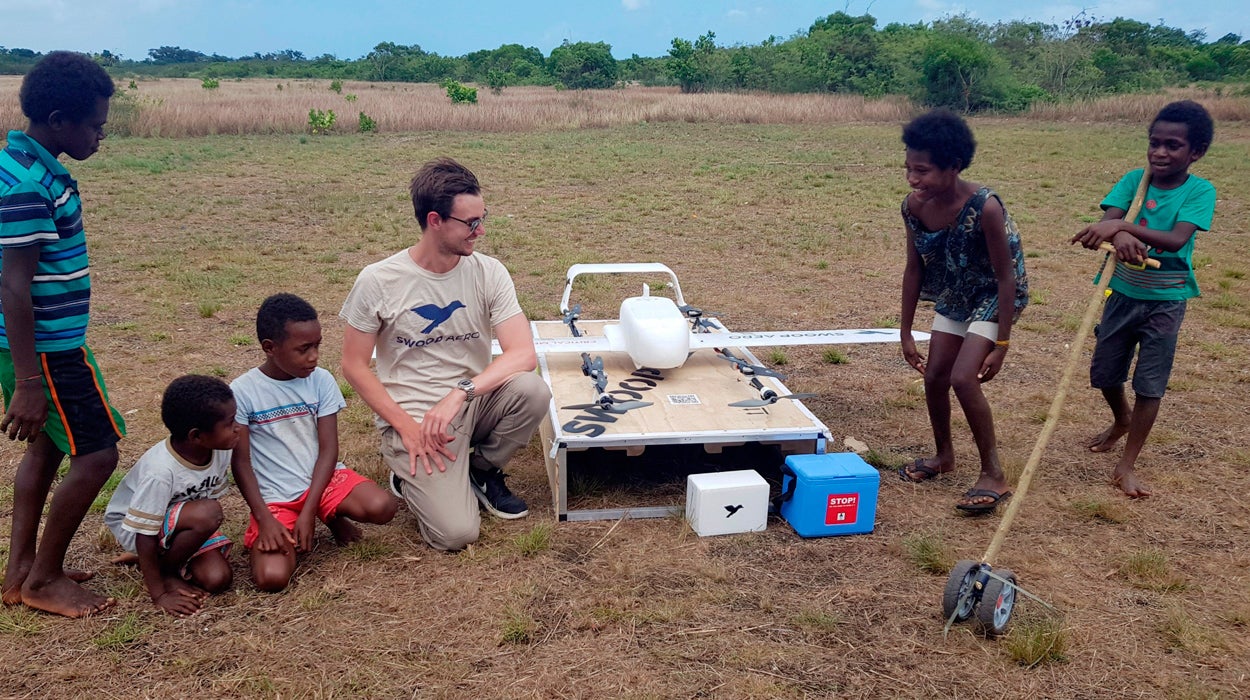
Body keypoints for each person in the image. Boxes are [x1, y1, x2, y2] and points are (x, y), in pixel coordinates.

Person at [340, 157, 550, 551]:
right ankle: (406, 474)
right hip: (417, 419)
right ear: (434, 220)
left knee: (532, 390)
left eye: (482, 217)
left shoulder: (489, 272)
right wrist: (404, 425)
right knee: (457, 534)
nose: (481, 230)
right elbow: (353, 365)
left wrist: (461, 393)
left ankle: (481, 470)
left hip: (469, 402)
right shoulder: (378, 280)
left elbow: (522, 354)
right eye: (470, 223)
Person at [0, 51, 123, 617]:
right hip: (46, 351)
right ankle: (45, 579)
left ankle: (20, 569)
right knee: (97, 454)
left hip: (44, 347)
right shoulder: (28, 183)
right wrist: (29, 379)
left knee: (51, 446)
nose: (101, 135)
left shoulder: (25, 165)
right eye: (94, 125)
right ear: (57, 120)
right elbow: (12, 286)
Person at [1069, 101, 1216, 499]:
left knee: (1149, 382)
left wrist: (1121, 226)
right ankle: (1121, 420)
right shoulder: (1135, 181)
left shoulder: (1200, 190)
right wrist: (1117, 233)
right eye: (1155, 143)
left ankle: (1126, 464)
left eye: (1173, 145)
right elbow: (1106, 223)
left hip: (1166, 299)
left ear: (1195, 152)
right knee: (1103, 372)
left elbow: (1175, 240)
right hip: (1122, 290)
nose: (1161, 153)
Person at [897, 109, 1029, 514]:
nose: (913, 180)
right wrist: (905, 331)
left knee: (961, 377)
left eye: (922, 171)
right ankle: (943, 456)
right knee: (935, 375)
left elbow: (1006, 279)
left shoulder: (985, 207)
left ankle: (994, 474)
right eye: (908, 169)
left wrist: (1001, 344)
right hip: (956, 292)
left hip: (993, 294)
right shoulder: (913, 207)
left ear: (953, 167)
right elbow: (914, 267)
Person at [230, 293, 397, 592]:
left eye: (317, 345)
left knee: (382, 506)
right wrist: (264, 518)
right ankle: (286, 523)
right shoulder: (243, 392)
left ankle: (330, 516)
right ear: (270, 348)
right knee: (272, 578)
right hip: (275, 498)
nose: (314, 356)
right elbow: (240, 463)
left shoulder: (320, 381)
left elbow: (328, 451)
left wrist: (309, 512)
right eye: (303, 349)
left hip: (323, 481)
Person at [104, 375, 238, 617]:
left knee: (218, 579)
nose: (238, 428)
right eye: (230, 424)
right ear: (196, 436)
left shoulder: (217, 451)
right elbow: (144, 532)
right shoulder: (161, 472)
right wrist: (160, 593)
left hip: (179, 522)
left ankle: (157, 562)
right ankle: (163, 571)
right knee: (208, 512)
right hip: (137, 528)